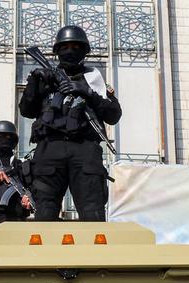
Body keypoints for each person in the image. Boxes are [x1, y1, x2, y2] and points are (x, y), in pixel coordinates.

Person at [18, 25, 121, 222]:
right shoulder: (44, 78)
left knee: (92, 211)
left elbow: (113, 116)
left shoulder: (95, 81)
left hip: (84, 150)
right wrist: (35, 81)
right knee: (45, 212)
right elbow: (26, 111)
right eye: (65, 47)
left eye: (76, 47)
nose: (70, 51)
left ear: (84, 51)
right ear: (57, 51)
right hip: (49, 149)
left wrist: (87, 92)